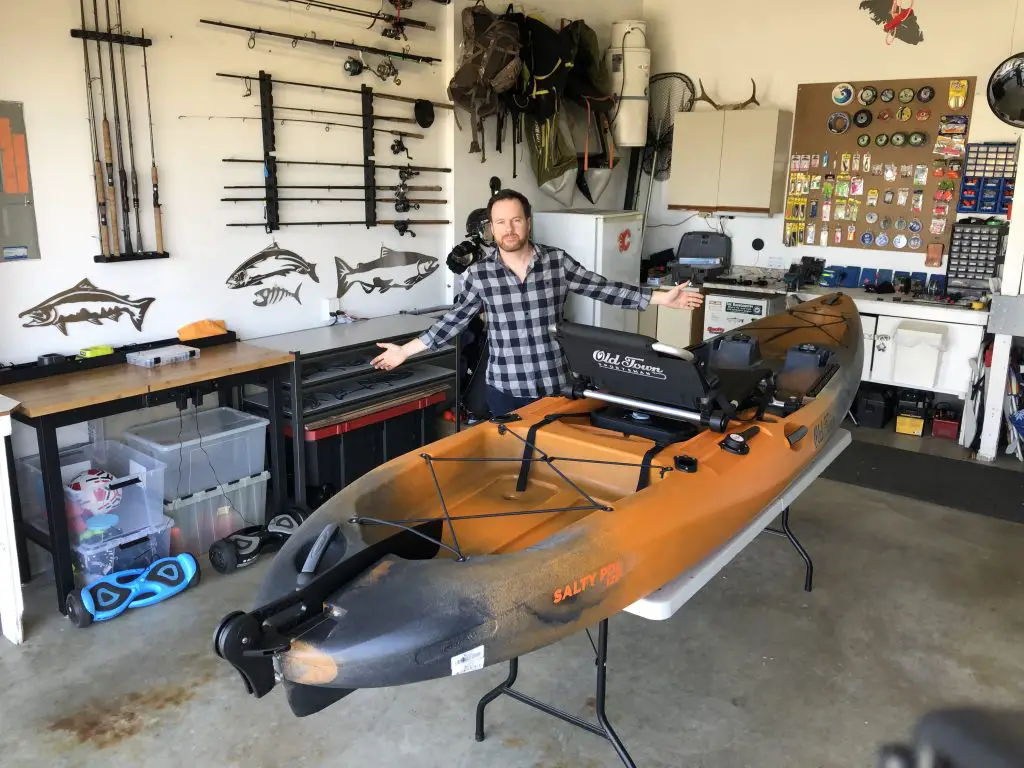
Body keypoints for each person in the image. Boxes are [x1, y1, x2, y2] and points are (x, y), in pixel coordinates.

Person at [371, 189, 705, 417]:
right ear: (491, 228)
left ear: (528, 222)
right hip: (506, 387)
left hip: (556, 382)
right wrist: (405, 351)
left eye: (516, 220)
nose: (509, 229)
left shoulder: (557, 262)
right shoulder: (480, 274)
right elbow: (453, 322)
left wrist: (661, 297)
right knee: (515, 463)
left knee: (557, 464)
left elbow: (602, 288)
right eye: (500, 222)